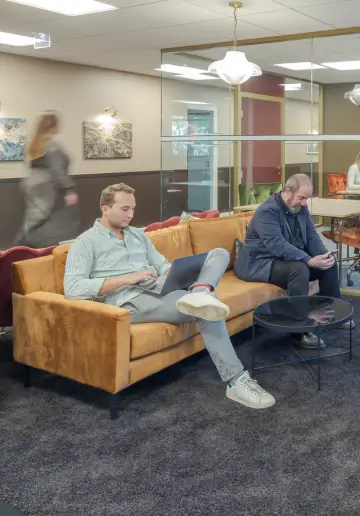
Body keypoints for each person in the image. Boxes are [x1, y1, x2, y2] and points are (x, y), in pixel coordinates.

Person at [64, 183, 276, 410]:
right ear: (105, 208)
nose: (131, 214)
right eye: (125, 209)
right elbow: (73, 287)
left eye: (133, 209)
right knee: (207, 310)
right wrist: (128, 278)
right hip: (127, 300)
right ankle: (236, 381)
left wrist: (175, 273)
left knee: (219, 254)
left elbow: (162, 264)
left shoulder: (137, 236)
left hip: (158, 287)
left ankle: (200, 291)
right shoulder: (86, 242)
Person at [235, 174, 353, 349]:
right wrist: (308, 259)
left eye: (307, 198)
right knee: (300, 269)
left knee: (328, 264)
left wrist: (322, 255)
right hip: (260, 262)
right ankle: (299, 331)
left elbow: (312, 235)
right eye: (301, 198)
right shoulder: (267, 211)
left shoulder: (300, 207)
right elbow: (277, 246)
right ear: (288, 191)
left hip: (284, 260)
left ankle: (332, 315)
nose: (305, 203)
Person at [15, 110, 79, 248]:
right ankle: (40, 248)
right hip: (49, 186)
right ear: (54, 125)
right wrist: (68, 190)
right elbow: (57, 169)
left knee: (36, 217)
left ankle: (26, 244)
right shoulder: (52, 145)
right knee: (54, 220)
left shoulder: (34, 143)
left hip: (33, 184)